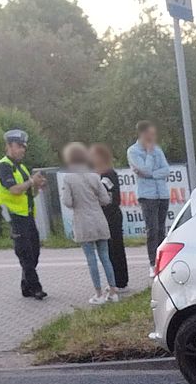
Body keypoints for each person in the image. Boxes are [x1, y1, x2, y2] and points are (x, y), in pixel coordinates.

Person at [59, 142, 119, 305]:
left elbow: (68, 202)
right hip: (99, 220)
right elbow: (106, 199)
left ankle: (98, 294)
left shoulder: (69, 179)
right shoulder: (94, 176)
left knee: (91, 259)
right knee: (105, 257)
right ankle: (113, 291)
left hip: (83, 223)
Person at [0, 129, 47, 299]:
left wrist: (37, 187)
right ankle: (36, 288)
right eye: (19, 146)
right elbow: (14, 190)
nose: (23, 150)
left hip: (28, 215)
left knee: (35, 253)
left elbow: (28, 193)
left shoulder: (21, 167)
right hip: (15, 216)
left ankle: (26, 286)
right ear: (9, 146)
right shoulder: (4, 166)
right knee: (25, 253)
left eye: (24, 147)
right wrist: (31, 181)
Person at [126, 121, 171, 267]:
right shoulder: (133, 151)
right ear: (143, 133)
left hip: (162, 194)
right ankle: (153, 264)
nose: (153, 136)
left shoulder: (158, 149)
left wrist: (151, 174)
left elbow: (166, 170)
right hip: (147, 196)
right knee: (152, 230)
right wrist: (150, 154)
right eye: (150, 134)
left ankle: (163, 262)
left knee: (161, 230)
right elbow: (144, 170)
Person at [90, 143, 129, 292]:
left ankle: (121, 281)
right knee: (107, 250)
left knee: (116, 249)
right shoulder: (95, 173)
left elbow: (110, 196)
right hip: (101, 216)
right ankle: (113, 281)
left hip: (112, 216)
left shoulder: (109, 173)